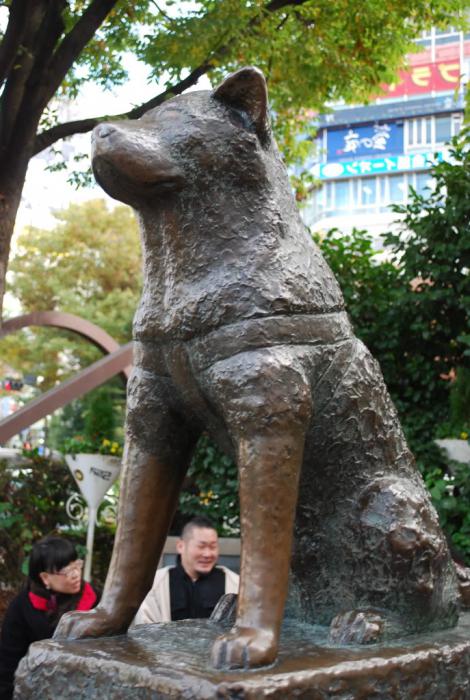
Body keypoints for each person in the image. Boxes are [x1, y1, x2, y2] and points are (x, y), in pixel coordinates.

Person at [0, 536, 97, 700]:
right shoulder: (21, 609)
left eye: (77, 566)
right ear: (45, 577)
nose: (76, 575)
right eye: (67, 571)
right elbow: (8, 666)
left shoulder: (94, 599)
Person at [134, 516, 239, 624]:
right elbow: (145, 628)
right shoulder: (155, 583)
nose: (208, 554)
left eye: (213, 547)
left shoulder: (235, 584)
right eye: (201, 546)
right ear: (180, 546)